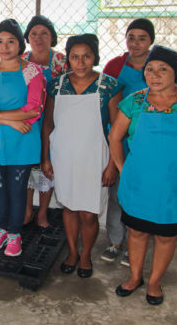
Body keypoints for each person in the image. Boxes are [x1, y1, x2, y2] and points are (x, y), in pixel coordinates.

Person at [111, 45, 177, 305]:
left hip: (175, 186)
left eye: (162, 70)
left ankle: (154, 281)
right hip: (138, 184)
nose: (154, 75)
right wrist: (124, 169)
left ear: (175, 74)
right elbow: (115, 137)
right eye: (150, 69)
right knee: (136, 232)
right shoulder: (134, 102)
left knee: (166, 235)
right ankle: (135, 277)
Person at [42, 34, 122, 277]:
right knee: (69, 207)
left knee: (88, 213)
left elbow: (116, 131)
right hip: (63, 156)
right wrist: (46, 158)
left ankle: (86, 255)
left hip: (94, 157)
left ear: (95, 57)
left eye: (86, 56)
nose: (80, 62)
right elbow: (48, 125)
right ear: (68, 59)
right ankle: (73, 253)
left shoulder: (109, 85)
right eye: (75, 57)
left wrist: (111, 165)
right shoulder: (56, 84)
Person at [0, 19, 46, 257]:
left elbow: (34, 109)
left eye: (10, 41)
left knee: (17, 190)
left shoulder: (31, 72)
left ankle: (15, 234)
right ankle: (2, 229)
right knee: (0, 188)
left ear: (20, 44)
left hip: (22, 141)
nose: (5, 46)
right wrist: (9, 120)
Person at [101, 18, 155, 266]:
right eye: (131, 37)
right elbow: (104, 103)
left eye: (142, 38)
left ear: (151, 41)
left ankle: (137, 243)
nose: (135, 43)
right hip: (119, 139)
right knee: (117, 193)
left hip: (149, 142)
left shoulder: (158, 67)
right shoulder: (114, 66)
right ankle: (115, 241)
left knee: (144, 193)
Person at [21, 15, 68, 229]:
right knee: (28, 164)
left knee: (47, 165)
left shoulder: (61, 60)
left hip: (54, 119)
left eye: (44, 33)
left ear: (52, 37)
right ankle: (28, 209)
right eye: (33, 34)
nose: (38, 38)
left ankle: (43, 213)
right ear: (27, 38)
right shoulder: (21, 59)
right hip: (27, 120)